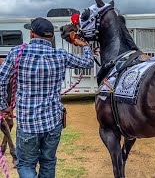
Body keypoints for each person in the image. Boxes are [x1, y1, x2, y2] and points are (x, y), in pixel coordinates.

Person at [0, 17, 94, 178]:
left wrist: (4, 106)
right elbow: (88, 63)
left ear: (32, 34)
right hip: (52, 122)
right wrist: (84, 46)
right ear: (51, 37)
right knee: (48, 162)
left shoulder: (17, 53)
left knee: (26, 164)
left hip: (28, 123)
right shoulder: (60, 55)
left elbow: (1, 81)